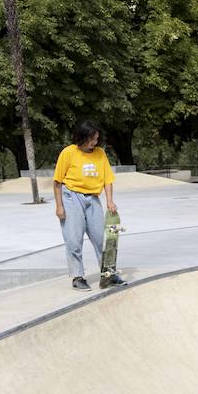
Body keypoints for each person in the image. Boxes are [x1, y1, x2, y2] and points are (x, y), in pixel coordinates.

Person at [53, 120, 125, 291]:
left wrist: (109, 201)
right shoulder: (68, 152)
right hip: (72, 197)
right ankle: (78, 277)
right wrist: (59, 206)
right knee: (74, 239)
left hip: (93, 198)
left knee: (101, 237)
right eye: (91, 139)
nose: (94, 142)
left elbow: (108, 180)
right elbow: (57, 182)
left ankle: (108, 274)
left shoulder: (100, 153)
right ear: (82, 137)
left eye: (96, 139)